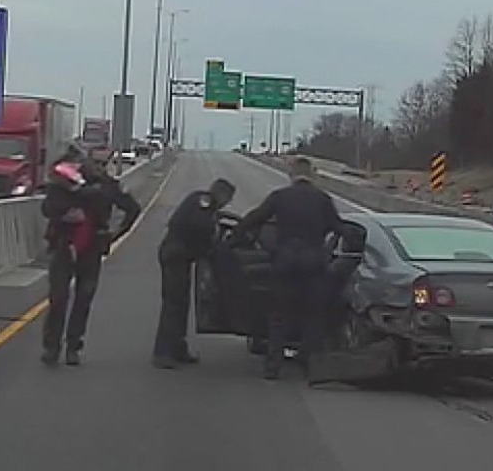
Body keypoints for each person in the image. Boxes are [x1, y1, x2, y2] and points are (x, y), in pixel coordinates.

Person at [232, 156, 346, 380]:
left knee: (278, 315)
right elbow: (339, 227)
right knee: (313, 315)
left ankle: (272, 366)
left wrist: (235, 235)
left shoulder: (280, 197)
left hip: (285, 263)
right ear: (312, 175)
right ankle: (314, 368)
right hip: (314, 265)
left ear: (291, 175)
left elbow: (255, 218)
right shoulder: (322, 199)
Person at [40, 153, 142, 366]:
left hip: (93, 247)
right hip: (64, 245)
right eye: (96, 162)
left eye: (104, 163)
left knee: (84, 298)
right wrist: (64, 215)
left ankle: (73, 346)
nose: (99, 167)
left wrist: (116, 234)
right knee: (58, 298)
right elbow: (47, 207)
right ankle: (52, 346)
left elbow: (132, 209)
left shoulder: (109, 186)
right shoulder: (65, 180)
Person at [152, 178, 237, 369]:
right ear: (221, 194)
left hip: (181, 256)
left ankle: (177, 348)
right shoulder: (204, 202)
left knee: (181, 304)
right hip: (175, 254)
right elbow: (199, 226)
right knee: (173, 305)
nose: (227, 202)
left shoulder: (207, 205)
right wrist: (211, 244)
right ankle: (163, 352)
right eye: (228, 198)